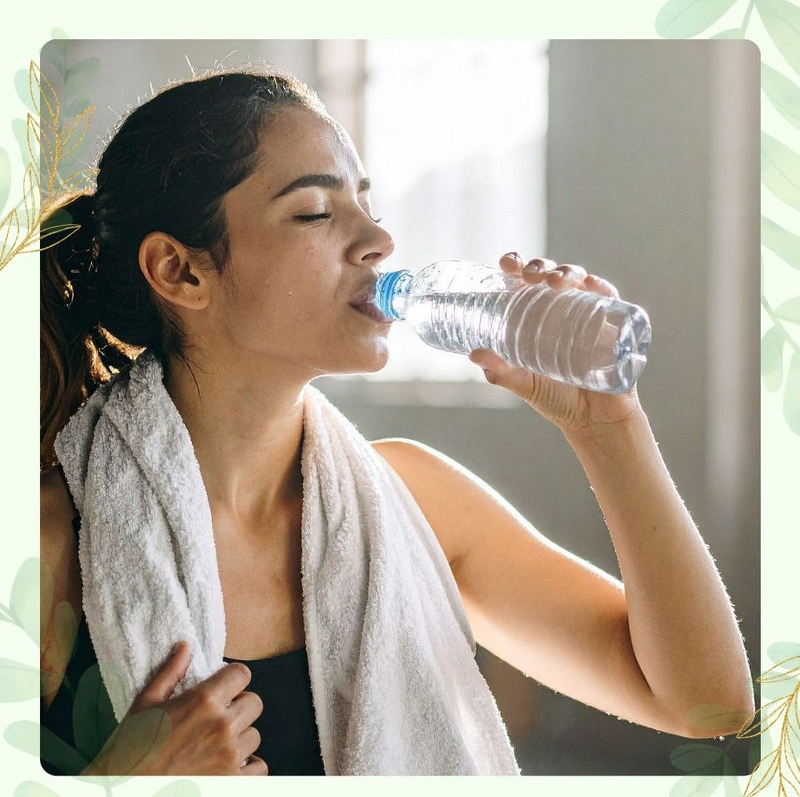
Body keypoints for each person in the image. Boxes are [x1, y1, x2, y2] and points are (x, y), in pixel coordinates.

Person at [39, 67, 754, 777]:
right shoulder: (52, 543)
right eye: (316, 211)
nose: (378, 238)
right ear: (180, 271)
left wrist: (610, 428)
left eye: (367, 203)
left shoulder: (418, 504)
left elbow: (707, 705)